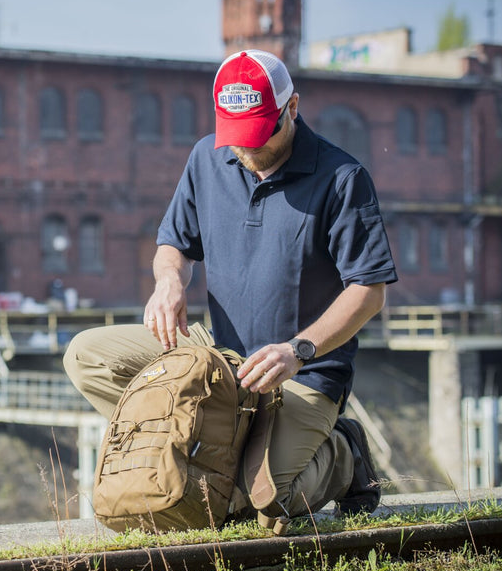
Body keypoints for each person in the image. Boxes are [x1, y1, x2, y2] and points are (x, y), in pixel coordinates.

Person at [64, 49, 398, 532]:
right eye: (238, 138)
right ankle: (207, 442)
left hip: (302, 372)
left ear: (292, 108)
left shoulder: (343, 178)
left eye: (260, 135)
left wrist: (297, 350)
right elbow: (172, 246)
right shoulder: (207, 156)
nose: (248, 150)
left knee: (264, 508)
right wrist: (168, 283)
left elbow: (369, 291)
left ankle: (343, 455)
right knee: (87, 356)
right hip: (219, 356)